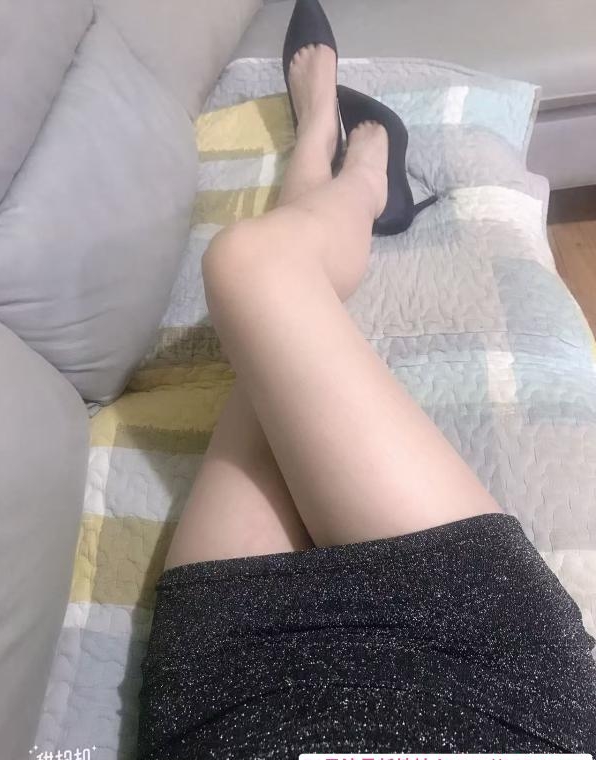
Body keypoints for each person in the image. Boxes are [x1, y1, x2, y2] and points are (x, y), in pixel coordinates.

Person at [136, 5, 596, 757]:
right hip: (484, 689)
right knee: (262, 281)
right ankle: (359, 177)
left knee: (265, 319)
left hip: (237, 708)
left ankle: (324, 155)